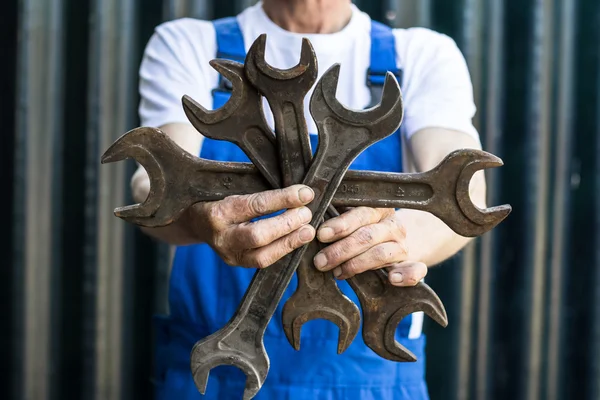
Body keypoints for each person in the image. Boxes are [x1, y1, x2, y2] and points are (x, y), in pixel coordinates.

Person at [133, 0, 487, 398]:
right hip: (214, 380)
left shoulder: (422, 55)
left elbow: (461, 192)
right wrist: (202, 219)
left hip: (371, 380)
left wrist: (395, 238)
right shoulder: (189, 44)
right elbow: (156, 186)